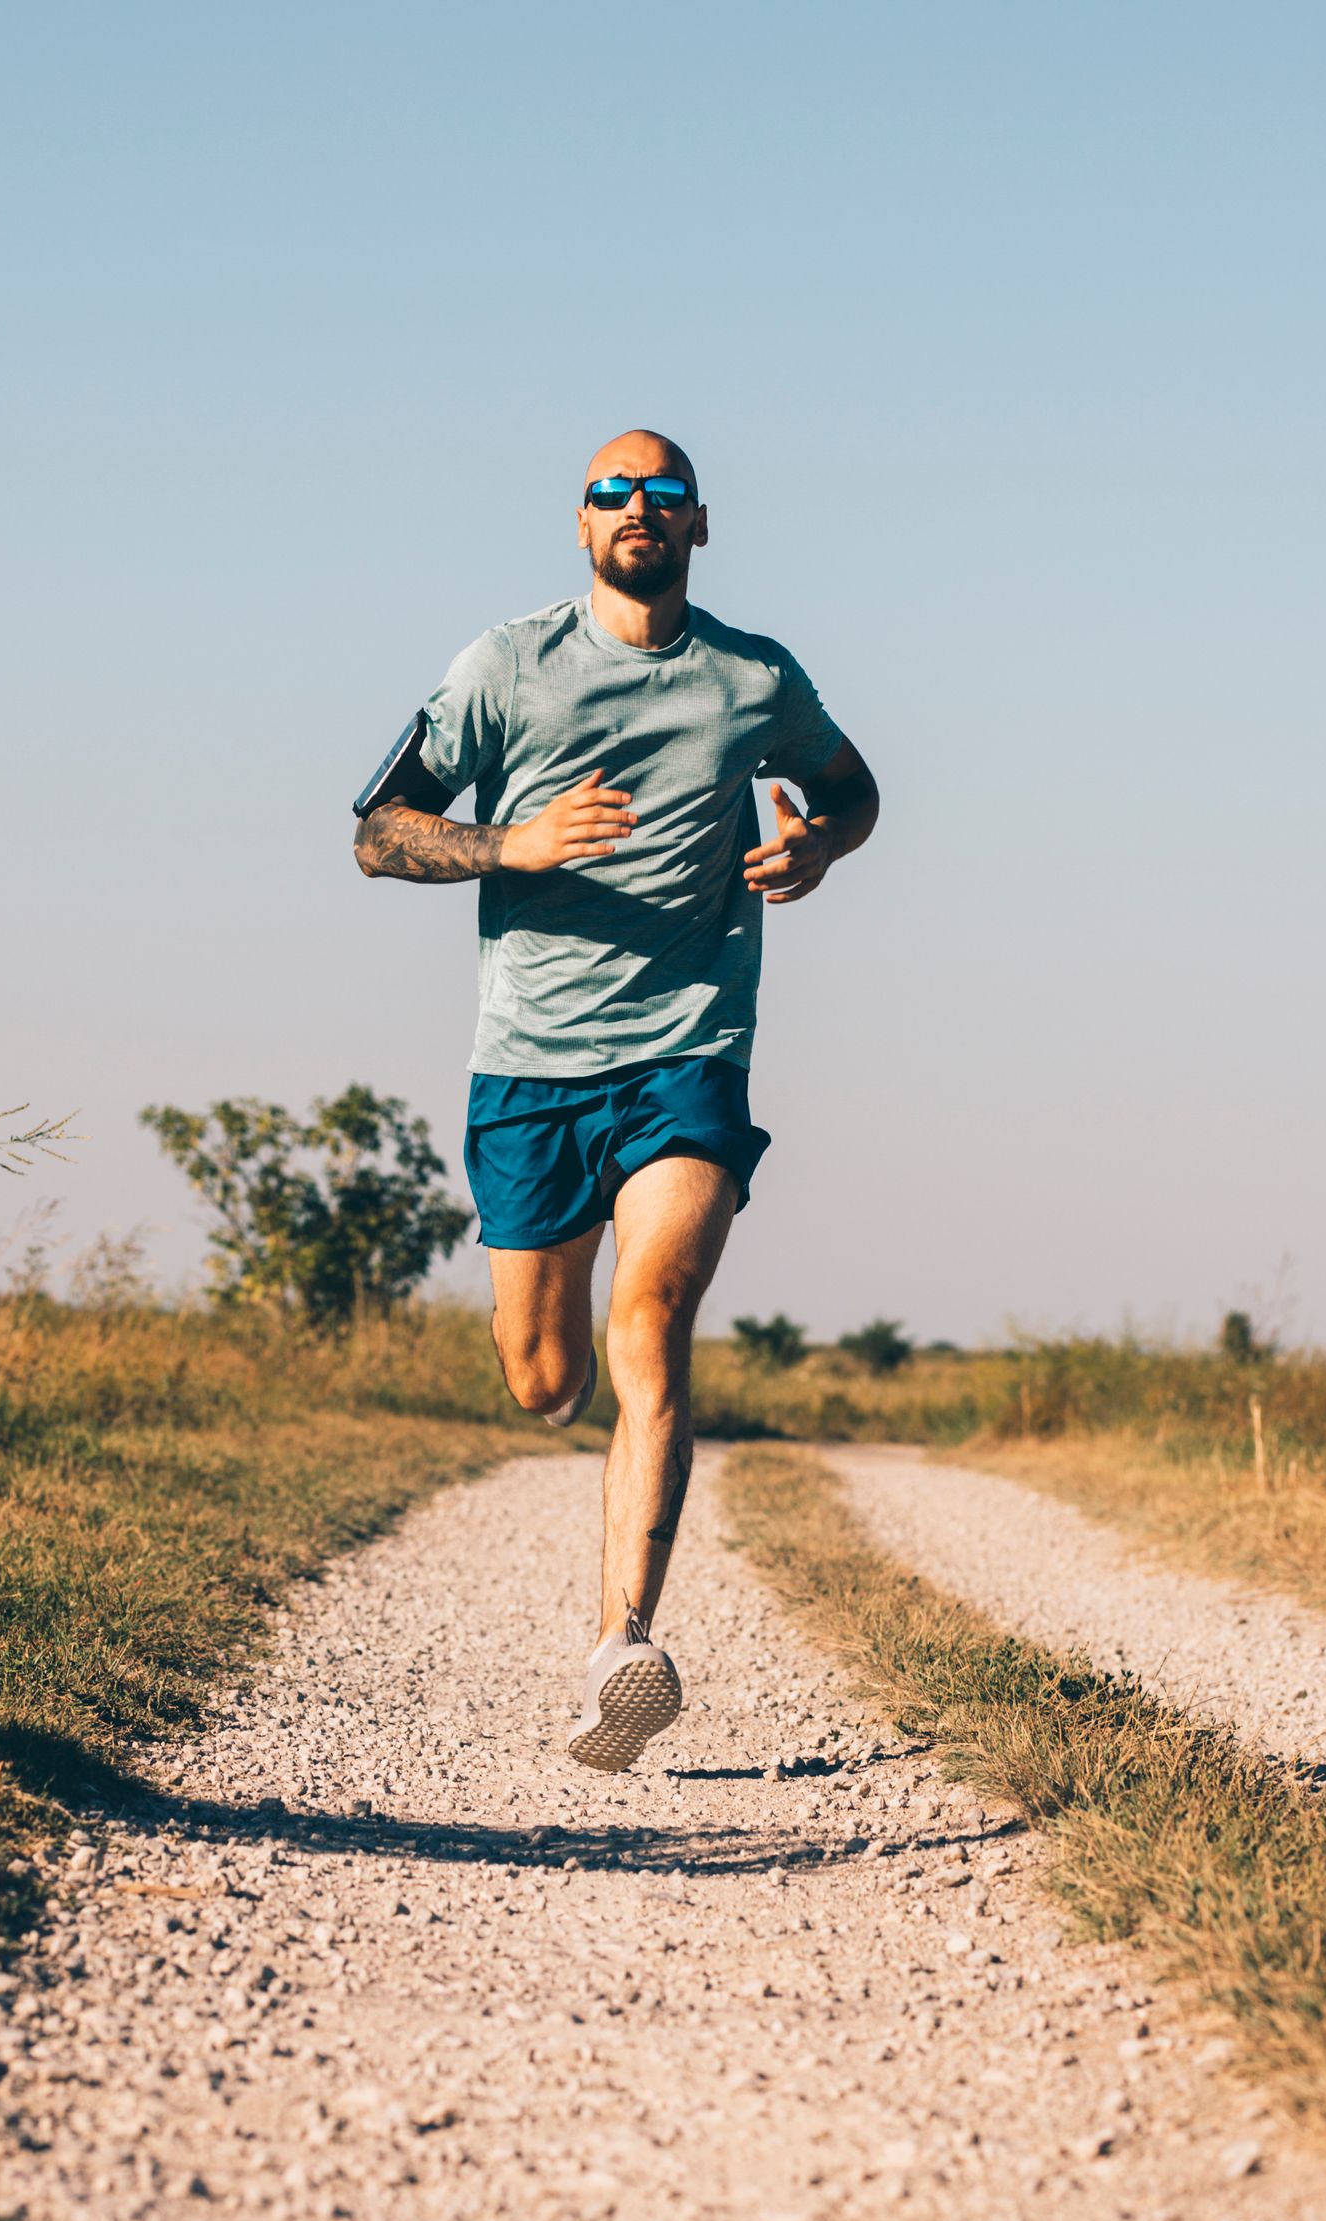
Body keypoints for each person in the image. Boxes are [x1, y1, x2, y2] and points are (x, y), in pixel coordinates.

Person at [352, 430, 881, 1771]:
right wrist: (509, 842)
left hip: (687, 1054)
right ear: (578, 524)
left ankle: (622, 1649)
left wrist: (815, 845)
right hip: (529, 1071)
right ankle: (560, 1350)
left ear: (701, 525)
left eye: (662, 494)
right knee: (544, 1383)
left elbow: (855, 789)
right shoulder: (504, 670)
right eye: (612, 492)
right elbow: (378, 829)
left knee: (655, 1312)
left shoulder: (755, 679)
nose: (637, 509)